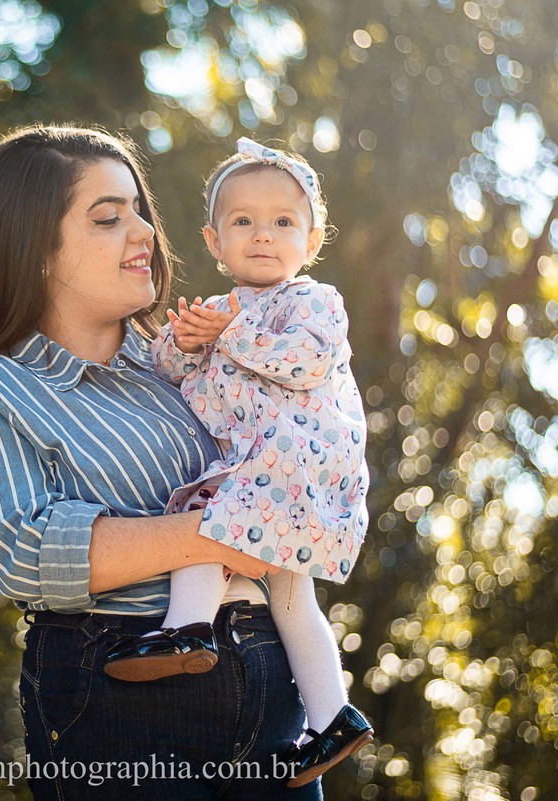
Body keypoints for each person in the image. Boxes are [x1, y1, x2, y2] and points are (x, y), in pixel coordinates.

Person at [0, 125, 323, 799]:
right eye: (110, 217)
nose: (144, 230)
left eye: (139, 210)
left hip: (270, 686)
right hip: (124, 697)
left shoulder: (187, 363)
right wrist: (229, 532)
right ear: (32, 250)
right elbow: (24, 551)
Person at [102, 138, 373, 787]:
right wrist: (182, 339)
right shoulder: (220, 313)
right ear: (214, 240)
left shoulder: (313, 301)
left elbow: (303, 361)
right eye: (243, 221)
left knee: (206, 513)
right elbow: (172, 377)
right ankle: (333, 716)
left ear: (311, 241)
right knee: (288, 592)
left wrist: (229, 332)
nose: (262, 235)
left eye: (283, 221)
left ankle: (187, 627)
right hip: (268, 474)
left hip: (297, 467)